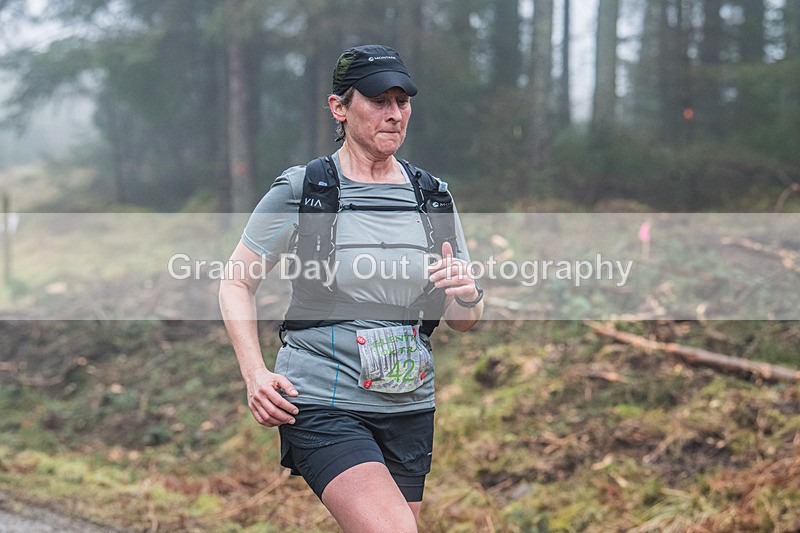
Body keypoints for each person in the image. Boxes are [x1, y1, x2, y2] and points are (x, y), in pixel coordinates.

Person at [219, 44, 483, 532]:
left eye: (402, 102)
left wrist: (467, 293)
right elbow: (236, 280)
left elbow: (464, 321)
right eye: (380, 100)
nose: (394, 114)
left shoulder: (433, 196)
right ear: (339, 107)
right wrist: (254, 373)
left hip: (409, 403)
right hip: (322, 398)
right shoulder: (307, 189)